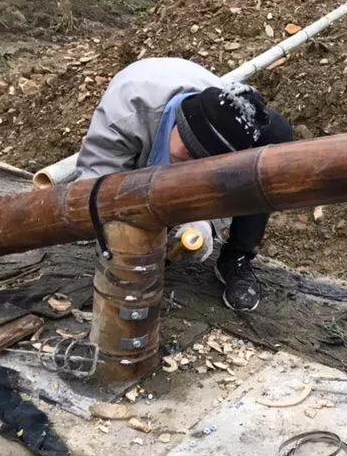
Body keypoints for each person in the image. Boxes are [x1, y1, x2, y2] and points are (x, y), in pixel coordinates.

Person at [75, 57, 293, 311]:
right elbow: (95, 181)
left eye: (200, 164)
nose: (186, 169)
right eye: (188, 153)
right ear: (179, 122)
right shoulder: (126, 112)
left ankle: (236, 258)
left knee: (274, 143)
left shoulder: (233, 130)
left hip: (230, 129)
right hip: (143, 97)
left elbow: (227, 189)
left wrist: (207, 223)